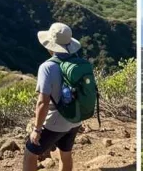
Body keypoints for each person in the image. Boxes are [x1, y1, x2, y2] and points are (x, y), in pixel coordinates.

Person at [23, 23, 96, 171]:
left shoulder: (47, 67)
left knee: (30, 153)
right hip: (76, 118)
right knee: (65, 154)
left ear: (51, 45)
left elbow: (43, 102)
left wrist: (37, 129)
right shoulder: (78, 63)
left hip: (55, 122)